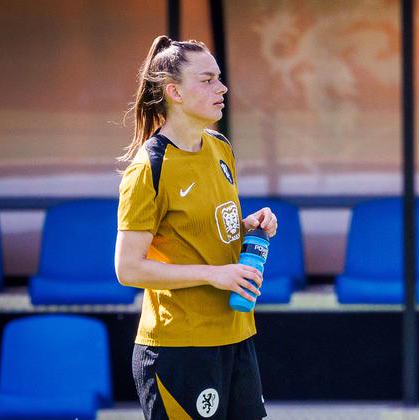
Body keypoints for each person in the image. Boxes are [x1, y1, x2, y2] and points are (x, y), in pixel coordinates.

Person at [114, 35, 276, 419]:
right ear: (175, 92)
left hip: (236, 336)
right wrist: (214, 275)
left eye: (219, 78)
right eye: (207, 80)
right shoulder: (148, 168)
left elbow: (211, 231)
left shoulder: (221, 148)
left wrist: (250, 227)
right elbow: (128, 269)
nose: (222, 88)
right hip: (178, 347)